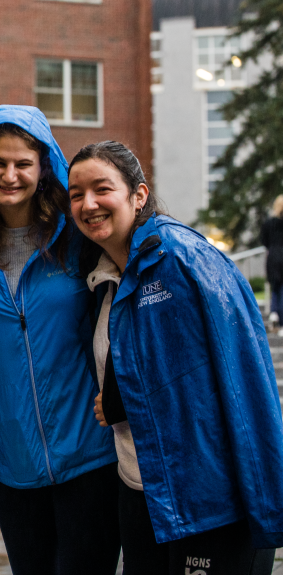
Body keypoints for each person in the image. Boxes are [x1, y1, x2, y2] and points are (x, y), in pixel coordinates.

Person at [68, 141, 283, 574]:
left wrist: (267, 498)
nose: (88, 203)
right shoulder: (101, 276)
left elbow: (241, 375)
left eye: (101, 188)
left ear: (139, 195)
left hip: (206, 496)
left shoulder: (183, 259)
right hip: (141, 488)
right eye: (76, 194)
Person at [0, 106, 119, 574]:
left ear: (42, 167)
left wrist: (122, 388)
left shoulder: (78, 238)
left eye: (23, 164)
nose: (10, 175)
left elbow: (126, 306)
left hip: (89, 455)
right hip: (13, 464)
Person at [260, 195, 283, 332]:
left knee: (275, 287)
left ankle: (274, 312)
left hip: (273, 256)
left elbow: (264, 241)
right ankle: (281, 321)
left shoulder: (268, 223)